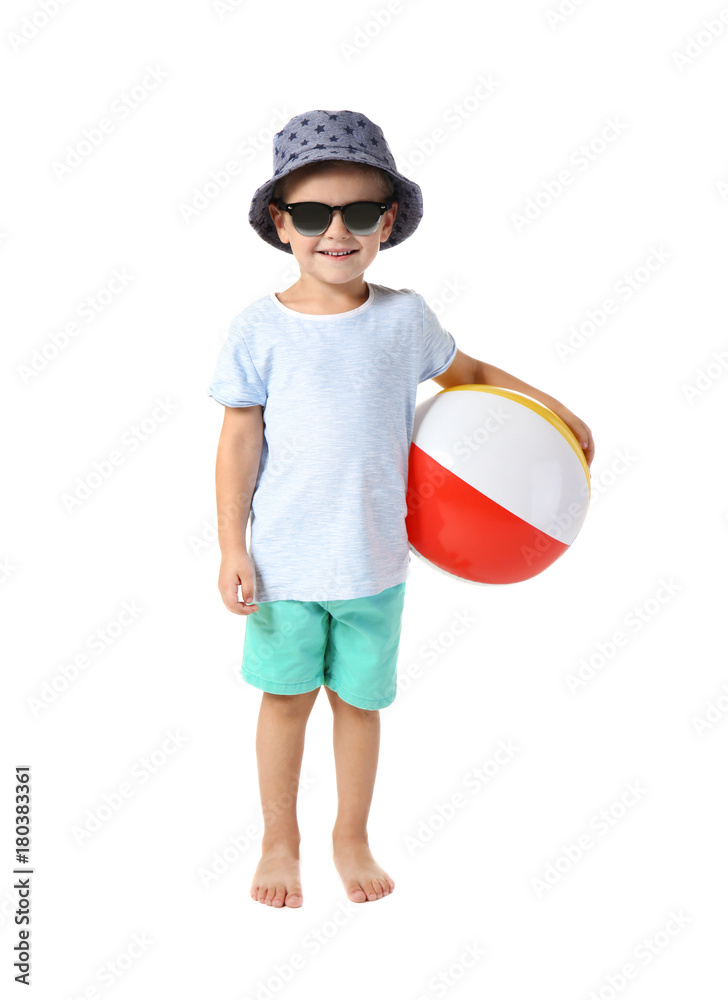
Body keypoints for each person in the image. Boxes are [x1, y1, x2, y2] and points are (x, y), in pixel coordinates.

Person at [207, 109, 595, 910]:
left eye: (357, 213)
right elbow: (238, 441)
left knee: (360, 703)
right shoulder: (258, 329)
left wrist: (553, 412)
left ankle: (352, 834)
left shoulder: (404, 317)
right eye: (313, 215)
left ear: (388, 222)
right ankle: (280, 839)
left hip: (376, 561)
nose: (336, 232)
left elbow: (472, 373)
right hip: (283, 562)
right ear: (282, 224)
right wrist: (230, 546)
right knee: (285, 703)